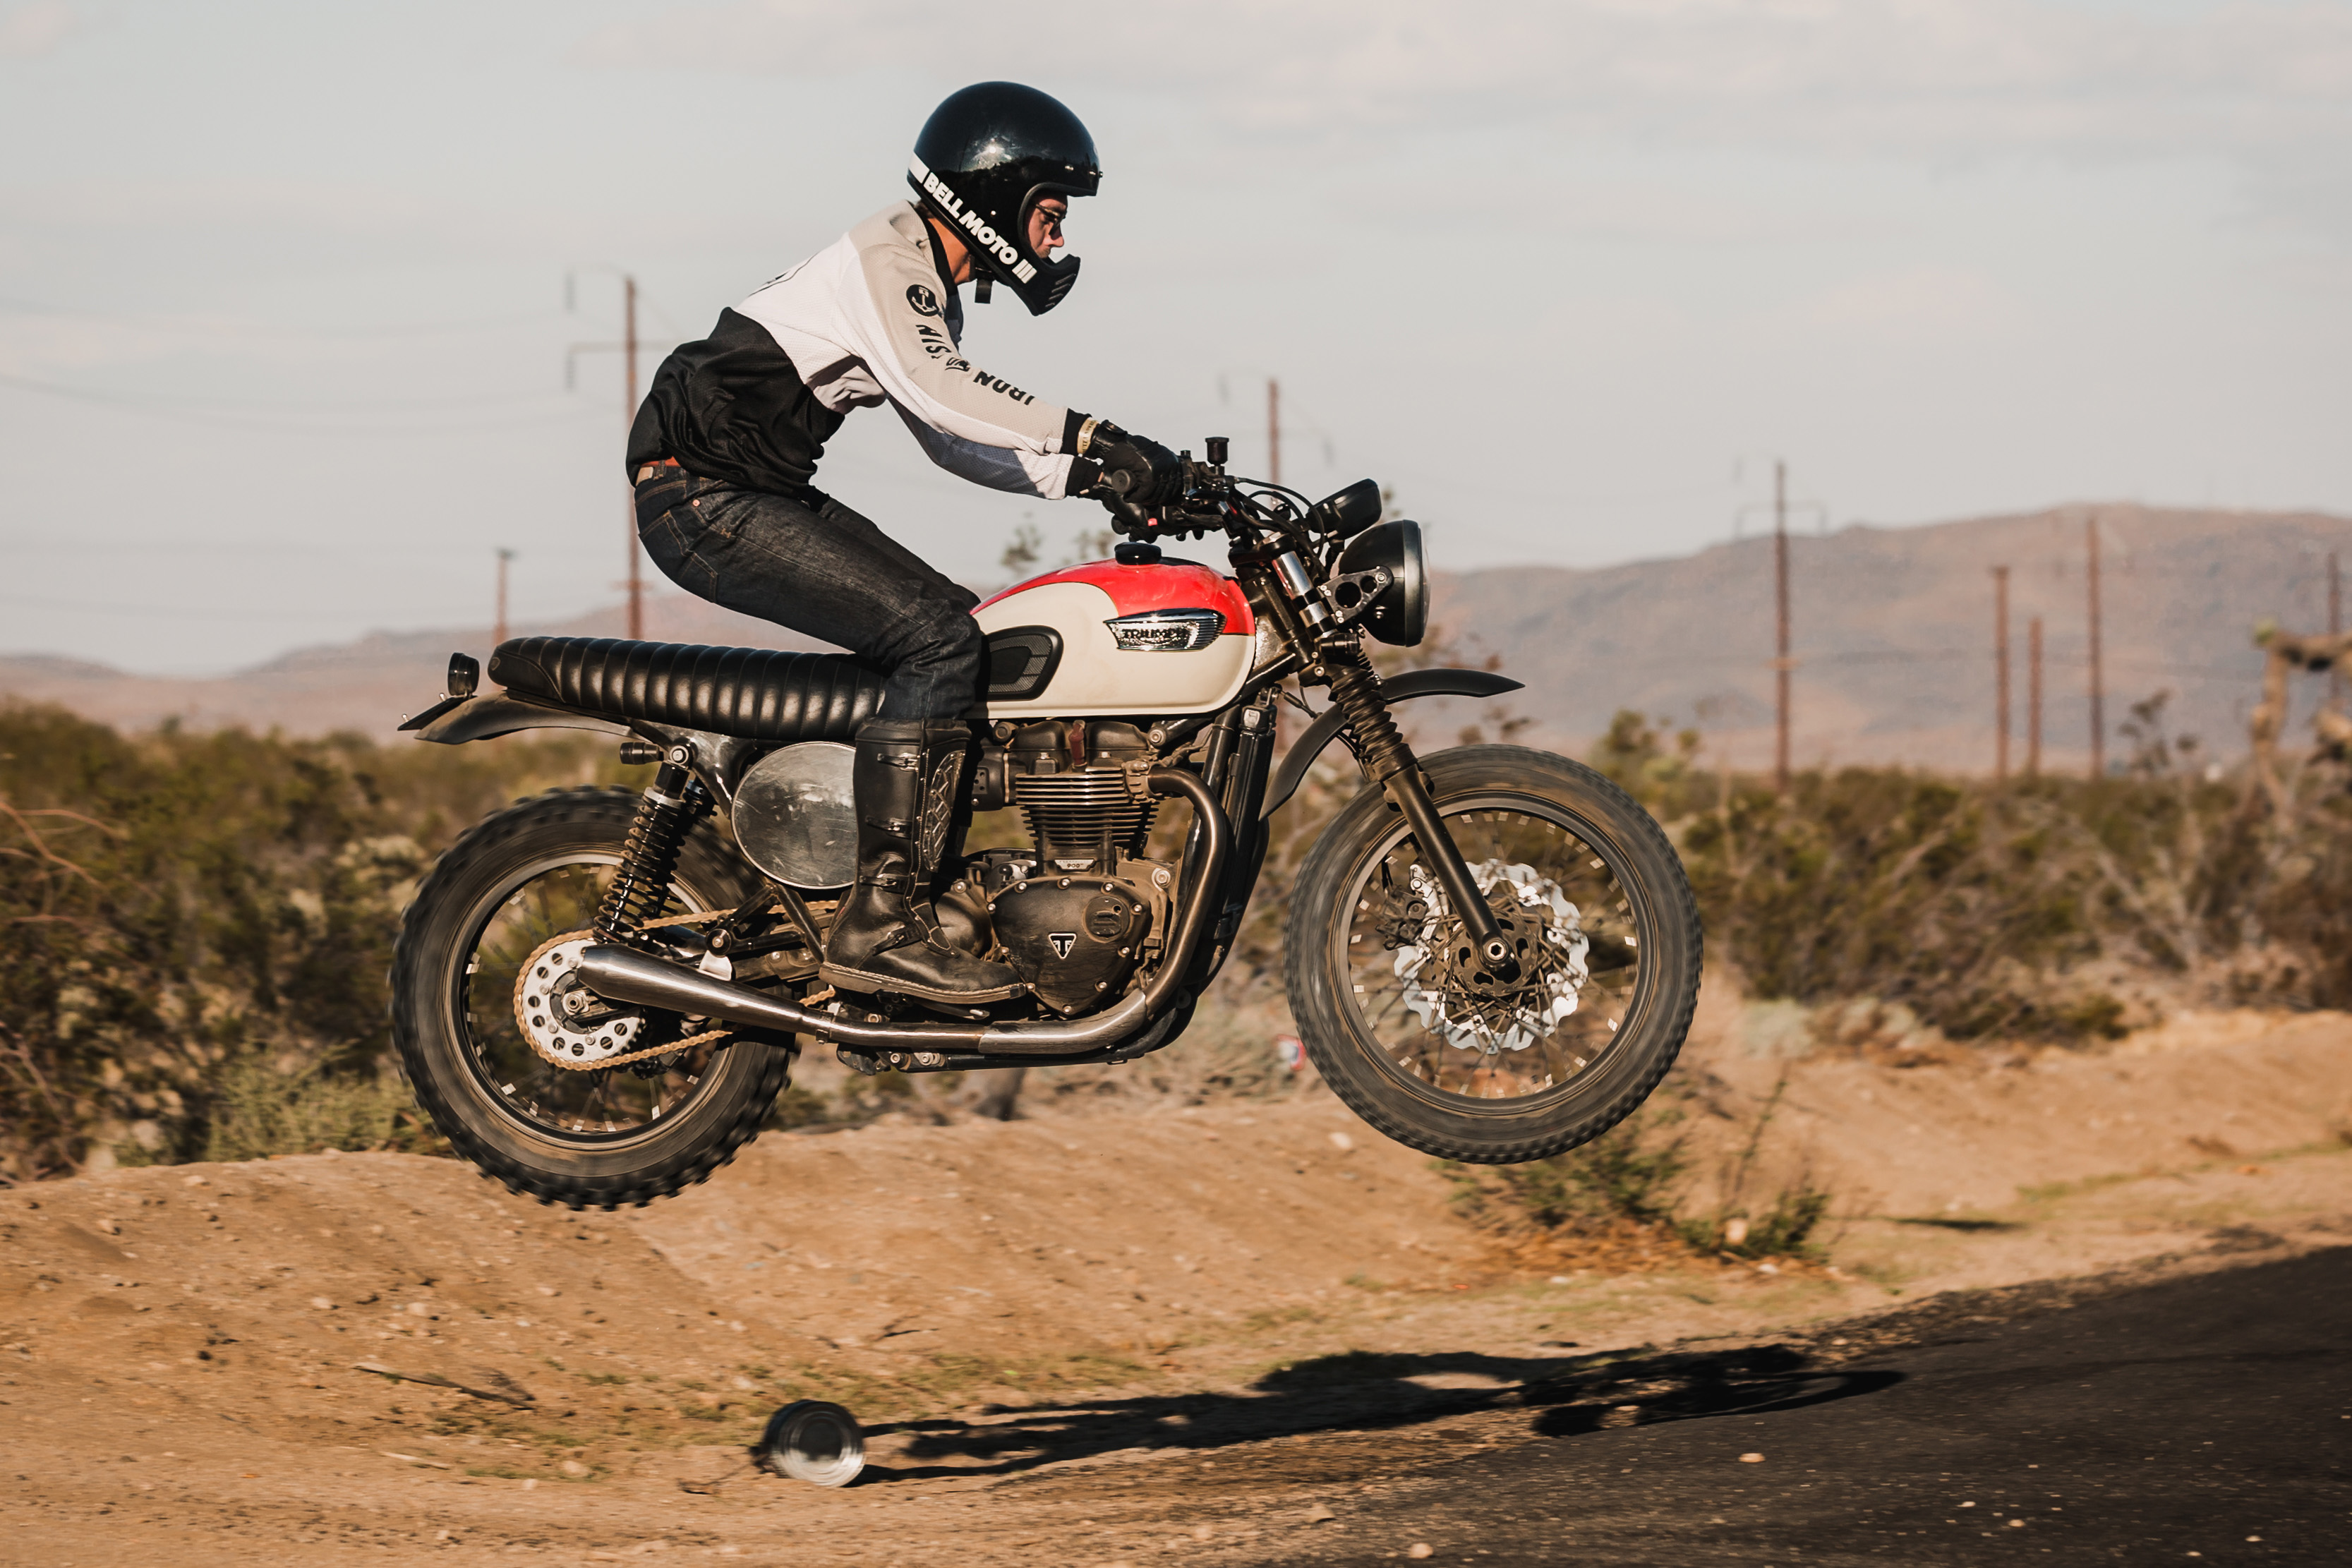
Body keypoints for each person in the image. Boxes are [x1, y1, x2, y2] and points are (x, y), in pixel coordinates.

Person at [625, 82, 1180, 1006]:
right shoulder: (890, 259)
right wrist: (1091, 433)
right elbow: (938, 388)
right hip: (703, 495)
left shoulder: (917, 273)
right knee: (936, 641)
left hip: (747, 489)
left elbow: (957, 441)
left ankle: (898, 885)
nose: (1058, 238)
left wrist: (1098, 477)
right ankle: (881, 924)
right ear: (993, 197)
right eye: (1049, 212)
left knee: (960, 636)